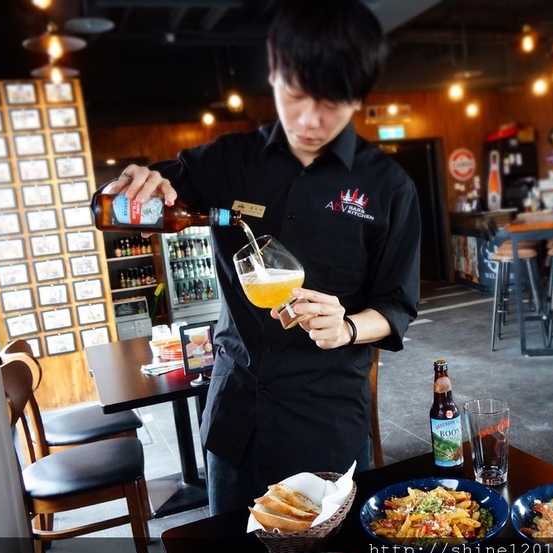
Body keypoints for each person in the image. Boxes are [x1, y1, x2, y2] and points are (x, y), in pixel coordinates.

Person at [100, 0, 421, 515]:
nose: (310, 120)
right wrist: (135, 184)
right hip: (238, 414)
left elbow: (397, 305)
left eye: (332, 102)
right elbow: (127, 200)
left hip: (327, 418)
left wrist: (347, 329)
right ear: (273, 75)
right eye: (295, 95)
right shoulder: (229, 161)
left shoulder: (388, 187)